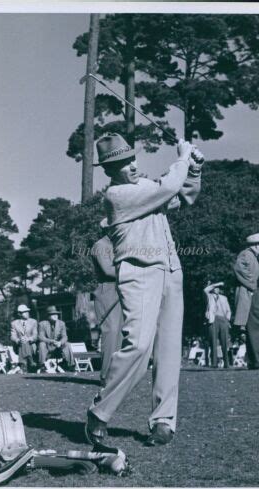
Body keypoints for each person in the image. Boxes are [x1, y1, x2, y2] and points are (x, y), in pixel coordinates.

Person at [85, 132, 203, 447]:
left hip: (170, 271)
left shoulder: (146, 189)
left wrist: (193, 168)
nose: (131, 166)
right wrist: (182, 156)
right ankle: (99, 412)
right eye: (122, 164)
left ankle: (163, 422)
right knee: (138, 346)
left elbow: (185, 195)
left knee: (167, 351)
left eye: (132, 158)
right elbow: (169, 186)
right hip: (138, 272)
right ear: (110, 172)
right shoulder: (117, 195)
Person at [91, 219, 124, 387]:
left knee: (119, 334)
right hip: (106, 290)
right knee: (110, 333)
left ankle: (115, 375)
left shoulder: (118, 245)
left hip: (120, 290)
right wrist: (129, 270)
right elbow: (107, 270)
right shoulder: (100, 245)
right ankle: (105, 376)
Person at [233, 233, 259, 370]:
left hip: (258, 293)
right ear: (255, 245)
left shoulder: (254, 256)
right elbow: (239, 269)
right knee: (255, 328)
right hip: (255, 294)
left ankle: (256, 362)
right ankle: (258, 362)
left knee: (256, 328)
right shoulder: (246, 254)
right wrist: (253, 286)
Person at [204, 281, 231, 368]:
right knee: (213, 342)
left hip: (223, 319)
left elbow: (228, 310)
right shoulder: (209, 296)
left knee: (225, 342)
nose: (217, 289)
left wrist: (227, 320)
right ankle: (214, 363)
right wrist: (217, 284)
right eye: (215, 288)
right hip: (213, 319)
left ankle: (226, 364)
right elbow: (205, 290)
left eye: (219, 288)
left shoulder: (224, 298)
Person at [38, 306, 74, 371]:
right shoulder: (42, 324)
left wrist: (60, 342)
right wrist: (51, 341)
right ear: (48, 316)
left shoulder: (61, 323)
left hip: (58, 347)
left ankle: (71, 365)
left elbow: (65, 336)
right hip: (47, 346)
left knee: (67, 344)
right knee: (41, 344)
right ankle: (42, 365)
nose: (56, 316)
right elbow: (41, 337)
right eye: (53, 314)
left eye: (56, 314)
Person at [10, 304, 38, 373]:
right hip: (19, 346)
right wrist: (18, 340)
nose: (27, 313)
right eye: (24, 312)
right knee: (23, 342)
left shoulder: (33, 322)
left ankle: (22, 365)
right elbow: (12, 336)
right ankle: (31, 361)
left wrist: (29, 339)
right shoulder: (14, 323)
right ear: (19, 314)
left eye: (27, 311)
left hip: (31, 345)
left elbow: (35, 335)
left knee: (25, 341)